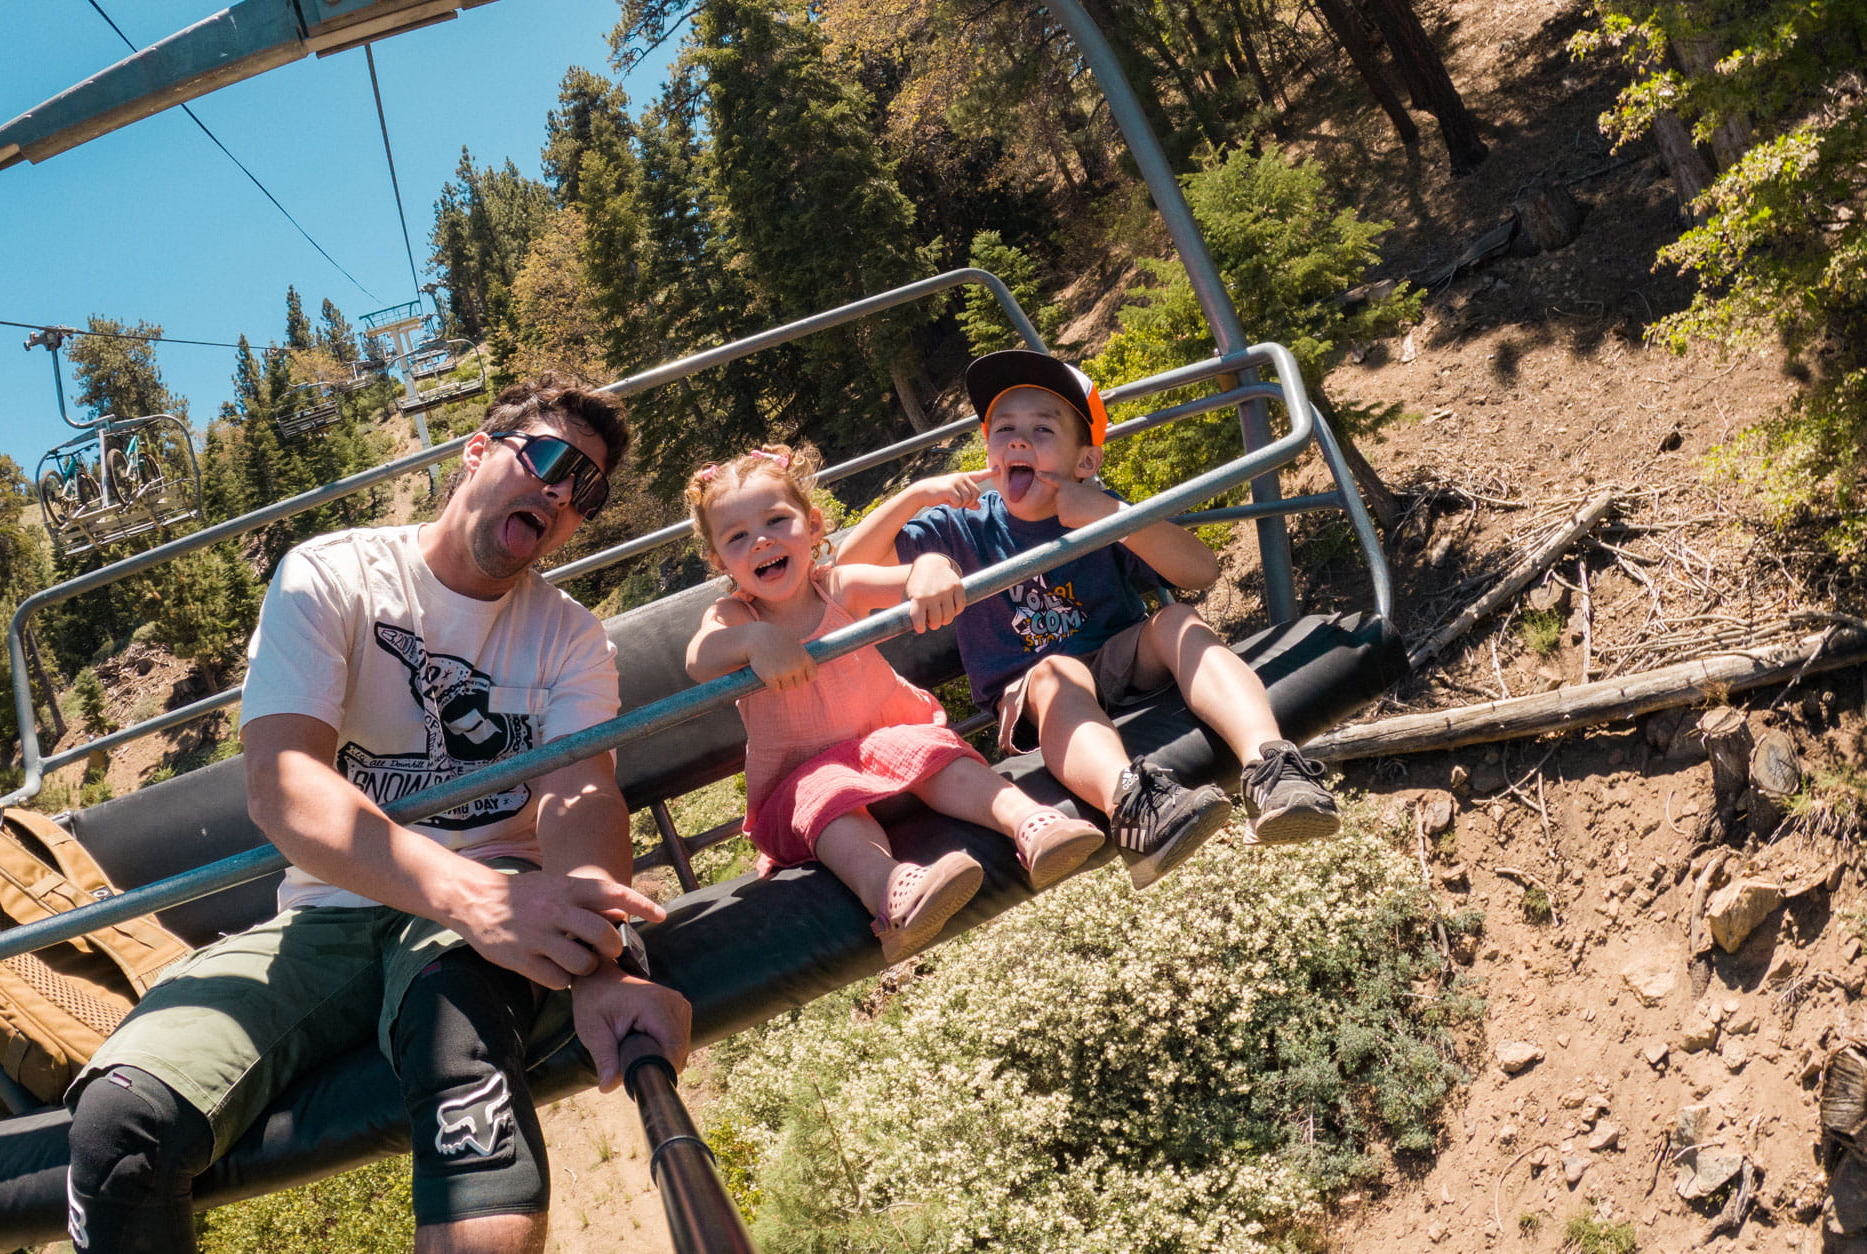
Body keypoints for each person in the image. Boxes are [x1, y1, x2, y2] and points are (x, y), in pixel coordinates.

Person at [65, 373, 692, 1254]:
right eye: (546, 458)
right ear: (476, 452)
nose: (559, 491)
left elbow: (579, 796)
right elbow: (285, 784)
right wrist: (471, 897)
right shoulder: (335, 576)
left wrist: (596, 959)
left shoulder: (569, 639)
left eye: (584, 488)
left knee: (458, 1037)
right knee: (119, 1126)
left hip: (477, 929)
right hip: (335, 910)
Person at [836, 348, 1341, 890]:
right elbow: (845, 572)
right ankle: (1134, 805)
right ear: (988, 453)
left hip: (1119, 660)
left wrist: (1114, 518)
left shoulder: (1100, 509)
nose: (1019, 441)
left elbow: (1200, 571)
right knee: (1059, 671)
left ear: (1086, 464)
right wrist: (918, 505)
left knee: (1177, 620)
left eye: (1043, 430)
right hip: (1034, 692)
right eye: (1004, 429)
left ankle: (1272, 766)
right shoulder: (961, 528)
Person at [683, 445, 1105, 961]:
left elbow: (907, 580)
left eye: (776, 520)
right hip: (802, 788)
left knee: (931, 750)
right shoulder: (733, 615)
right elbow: (699, 659)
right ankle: (893, 893)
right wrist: (752, 642)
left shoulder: (838, 586)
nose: (762, 541)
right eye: (738, 537)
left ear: (813, 527)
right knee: (831, 794)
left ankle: (1032, 825)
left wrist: (929, 568)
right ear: (719, 561)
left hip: (881, 747)